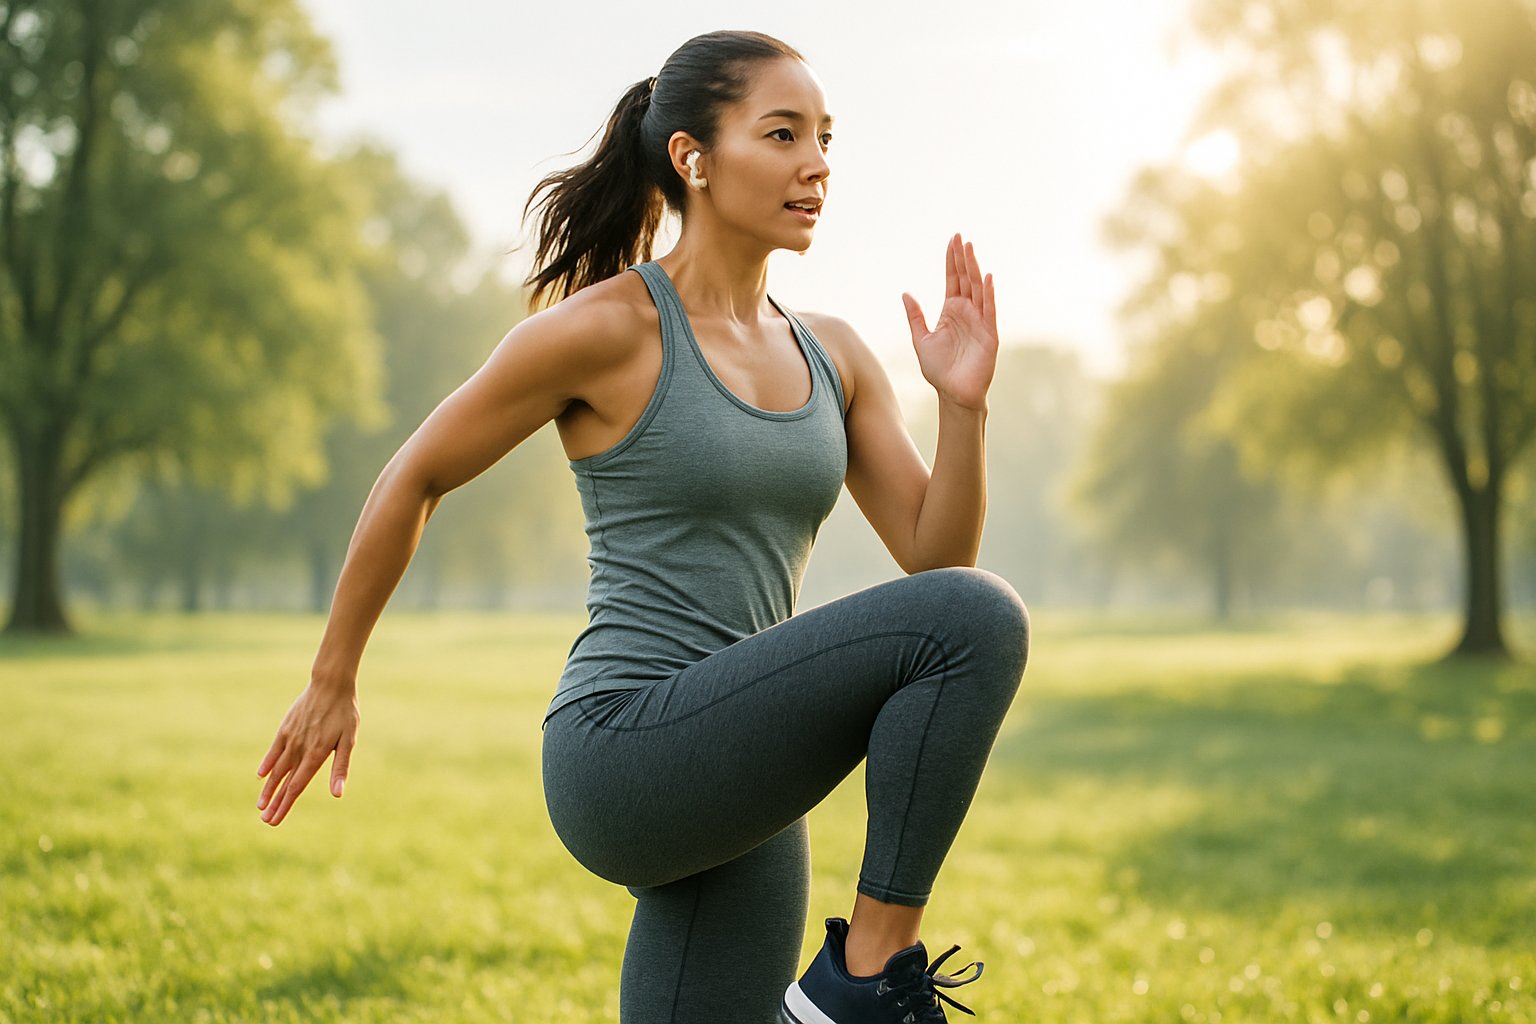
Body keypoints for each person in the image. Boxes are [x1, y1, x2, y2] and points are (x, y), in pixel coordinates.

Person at [255, 28, 1029, 1024]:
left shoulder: (834, 354)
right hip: (627, 749)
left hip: (745, 765)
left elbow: (933, 559)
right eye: (783, 134)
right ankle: (869, 973)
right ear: (692, 158)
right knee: (983, 614)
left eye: (825, 138)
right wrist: (334, 676)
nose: (817, 164)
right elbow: (415, 474)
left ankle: (846, 988)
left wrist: (962, 407)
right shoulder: (609, 329)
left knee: (963, 610)